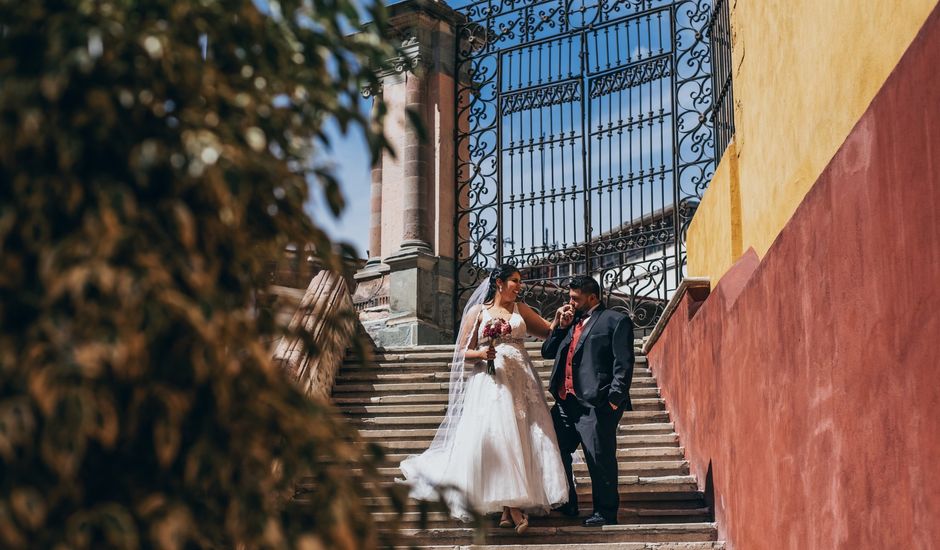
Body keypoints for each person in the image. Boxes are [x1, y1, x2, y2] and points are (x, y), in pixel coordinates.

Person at [399, 264, 568, 533]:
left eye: (519, 281)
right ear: (498, 282)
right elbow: (461, 351)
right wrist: (481, 355)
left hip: (522, 381)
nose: (518, 285)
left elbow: (547, 331)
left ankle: (505, 510)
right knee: (500, 437)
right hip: (492, 383)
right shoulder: (479, 312)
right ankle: (513, 507)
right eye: (514, 281)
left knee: (524, 435)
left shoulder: (520, 309)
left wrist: (559, 318)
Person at [541, 275, 635, 527]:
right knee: (555, 450)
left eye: (575, 297)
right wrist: (560, 326)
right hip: (564, 402)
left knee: (599, 458)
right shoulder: (570, 321)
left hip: (596, 404)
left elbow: (623, 364)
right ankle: (567, 501)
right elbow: (547, 352)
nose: (569, 302)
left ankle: (605, 512)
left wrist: (614, 399)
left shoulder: (616, 321)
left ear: (592, 297)